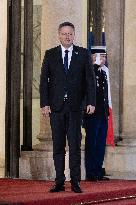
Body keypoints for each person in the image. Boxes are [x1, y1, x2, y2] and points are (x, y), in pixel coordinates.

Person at [40, 22, 96, 193]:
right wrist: (44, 103)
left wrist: (91, 102)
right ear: (59, 35)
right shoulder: (50, 54)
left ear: (74, 35)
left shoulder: (83, 54)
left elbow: (90, 80)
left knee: (74, 146)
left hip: (75, 108)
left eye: (70, 34)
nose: (67, 36)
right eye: (64, 34)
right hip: (56, 108)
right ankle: (59, 181)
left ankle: (75, 182)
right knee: (58, 146)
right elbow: (44, 81)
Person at [84, 46, 110, 181]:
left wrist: (107, 112)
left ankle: (98, 171)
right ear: (93, 57)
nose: (103, 59)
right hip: (92, 115)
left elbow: (104, 95)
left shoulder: (103, 73)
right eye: (101, 56)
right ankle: (91, 172)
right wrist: (94, 66)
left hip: (102, 114)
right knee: (92, 143)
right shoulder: (90, 72)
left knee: (100, 144)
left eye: (105, 57)